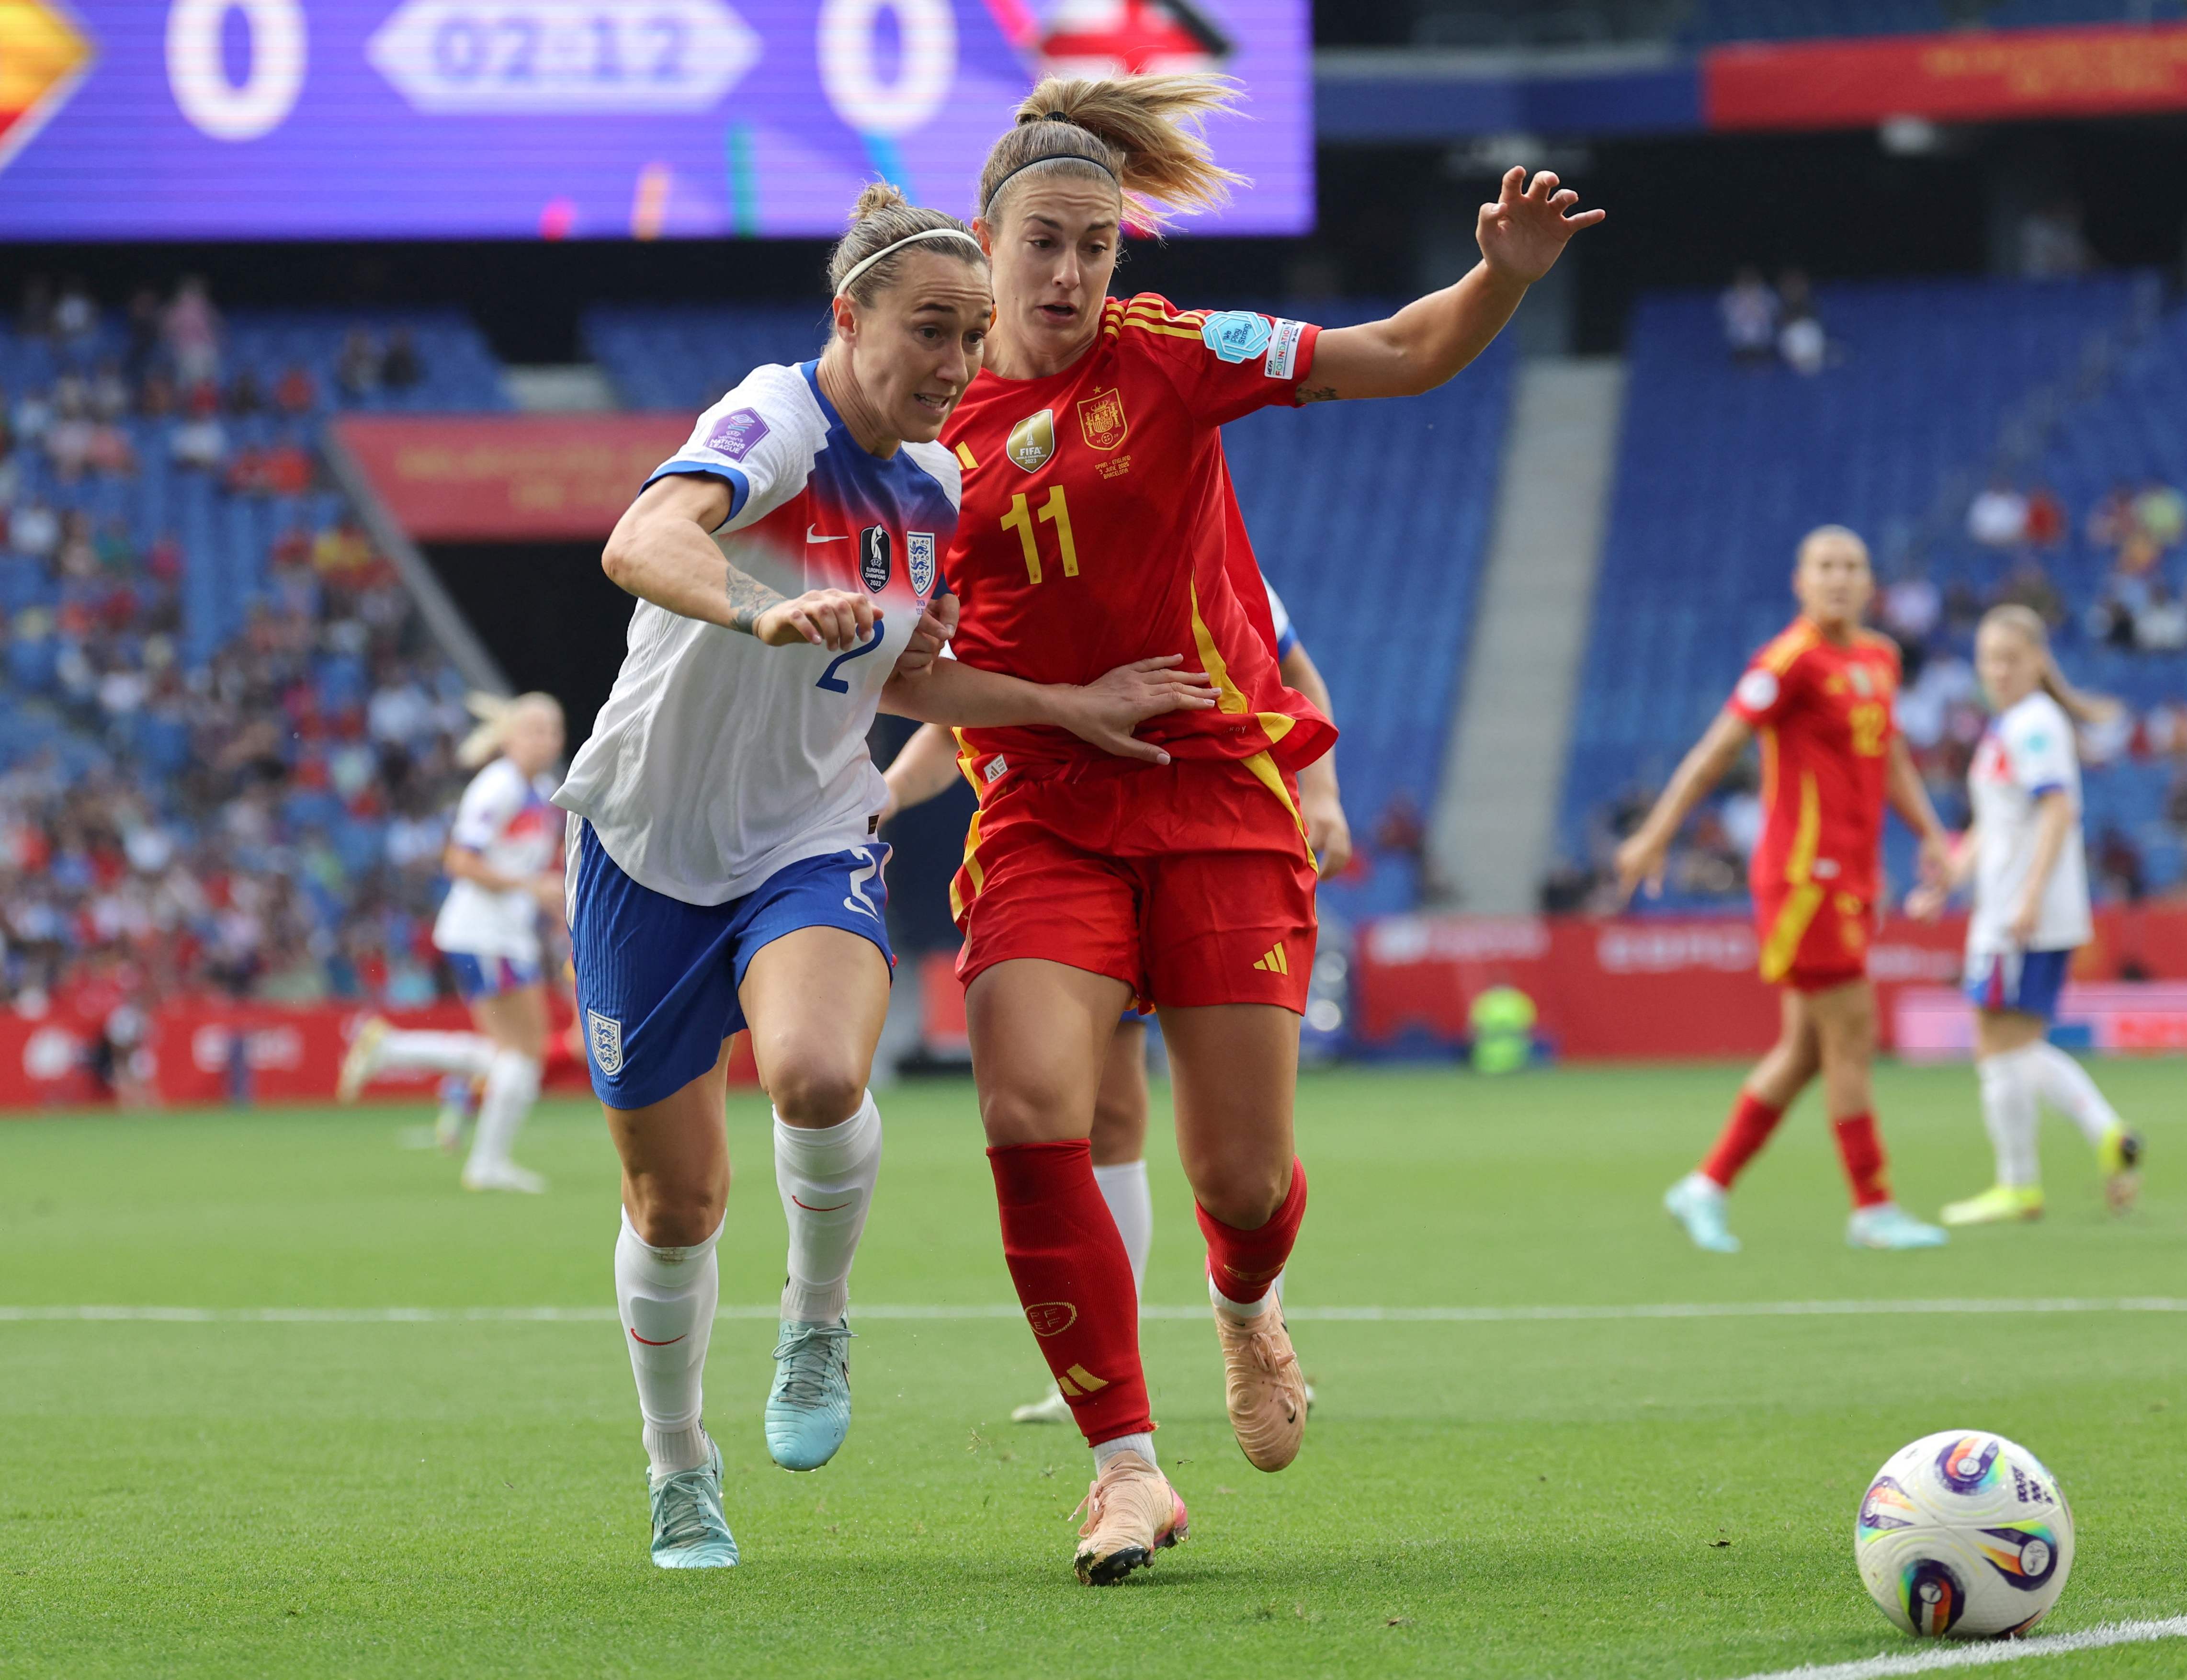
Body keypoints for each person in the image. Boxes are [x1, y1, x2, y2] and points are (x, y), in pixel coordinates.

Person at [938, 73, 1602, 1586]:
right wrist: (1047, 702)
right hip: (1045, 801)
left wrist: (1496, 277)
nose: (1067, 275)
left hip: (1218, 785)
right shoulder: (923, 415)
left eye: (1095, 246)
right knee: (1030, 1104)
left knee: (1238, 1178)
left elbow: (1396, 351)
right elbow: (897, 647)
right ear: (983, 242)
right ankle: (1123, 1468)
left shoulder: (1170, 355)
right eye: (1041, 242)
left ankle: (1245, 1305)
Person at [550, 183, 1216, 1573]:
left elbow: (907, 673)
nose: (959, 364)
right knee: (673, 1205)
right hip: (646, 848)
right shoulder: (772, 421)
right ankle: (680, 1463)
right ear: (845, 318)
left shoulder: (936, 487)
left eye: (974, 337)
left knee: (815, 1074)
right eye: (930, 330)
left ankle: (817, 1313)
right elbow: (641, 541)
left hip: (806, 832)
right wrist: (761, 601)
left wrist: (1061, 703)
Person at [877, 582, 1351, 1429]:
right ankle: (1106, 1363)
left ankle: (1254, 1307)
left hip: (1206, 828)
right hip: (1061, 847)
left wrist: (1322, 794)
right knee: (1102, 1114)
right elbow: (950, 720)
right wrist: (885, 793)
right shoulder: (981, 556)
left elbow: (1290, 668)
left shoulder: (1186, 543)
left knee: (1243, 1165)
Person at [1617, 526, 1954, 1255]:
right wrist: (1656, 834)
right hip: (1807, 877)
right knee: (1853, 1032)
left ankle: (1705, 1186)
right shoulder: (1788, 661)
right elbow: (1717, 751)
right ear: (1800, 582)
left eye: (1852, 567)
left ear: (1871, 584)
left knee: (1807, 1048)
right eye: (1824, 567)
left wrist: (1928, 831)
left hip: (1855, 876)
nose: (1839, 578)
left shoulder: (1880, 657)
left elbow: (1887, 750)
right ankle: (1874, 1206)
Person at [1906, 606, 2144, 1224]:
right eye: (1989, 659)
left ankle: (2020, 1184)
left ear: (2039, 660)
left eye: (2011, 658)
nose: (1999, 670)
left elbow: (2058, 809)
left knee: (1996, 1043)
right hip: (2014, 903)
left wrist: (2030, 895)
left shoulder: (2033, 724)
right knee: (2014, 1042)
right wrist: (1951, 880)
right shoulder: (2014, 724)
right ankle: (2106, 1134)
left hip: (2019, 910)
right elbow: (1996, 822)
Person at [338, 692, 568, 1194]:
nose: (547, 739)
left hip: (504, 932)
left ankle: (392, 1049)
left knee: (514, 1055)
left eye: (553, 729)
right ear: (508, 736)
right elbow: (461, 861)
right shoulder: (498, 787)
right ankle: (486, 1162)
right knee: (524, 1054)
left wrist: (547, 899)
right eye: (535, 728)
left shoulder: (542, 790)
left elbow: (518, 863)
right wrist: (532, 889)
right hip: (484, 932)